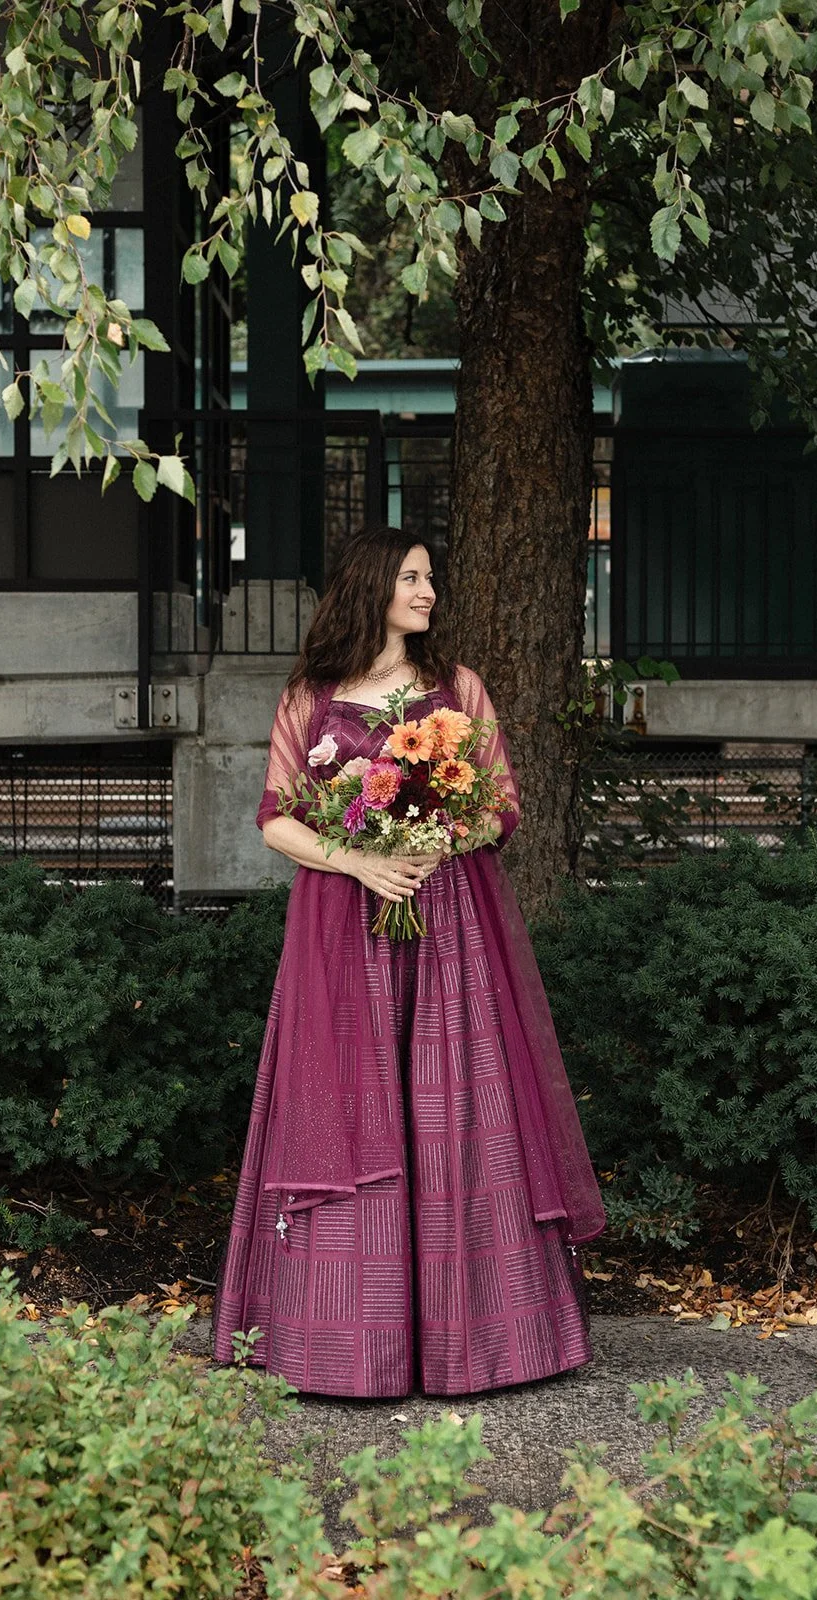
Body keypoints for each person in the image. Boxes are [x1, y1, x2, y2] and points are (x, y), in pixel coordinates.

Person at [212, 526, 605, 1397]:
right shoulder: (309, 698)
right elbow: (276, 816)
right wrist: (359, 858)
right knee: (349, 1104)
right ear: (372, 586)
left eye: (431, 578)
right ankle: (346, 1346)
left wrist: (434, 835)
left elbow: (503, 806)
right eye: (413, 577)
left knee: (451, 1104)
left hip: (448, 923)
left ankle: (480, 1342)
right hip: (339, 927)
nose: (428, 593)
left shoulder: (456, 690)